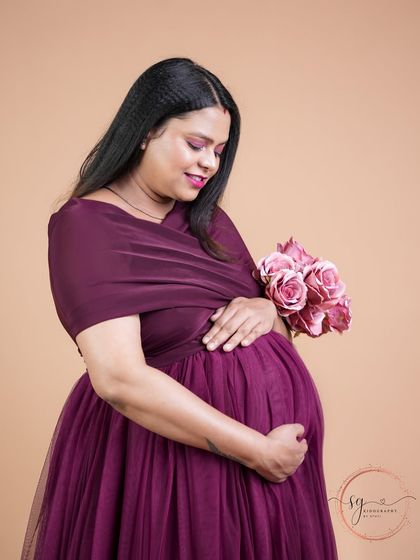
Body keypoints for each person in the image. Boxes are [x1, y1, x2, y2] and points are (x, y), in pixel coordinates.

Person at [20, 57, 338, 559]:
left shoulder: (206, 219)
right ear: (145, 132)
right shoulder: (86, 226)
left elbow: (230, 324)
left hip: (266, 478)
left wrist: (266, 310)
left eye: (219, 150)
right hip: (174, 469)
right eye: (196, 144)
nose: (210, 163)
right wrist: (258, 451)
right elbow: (119, 378)